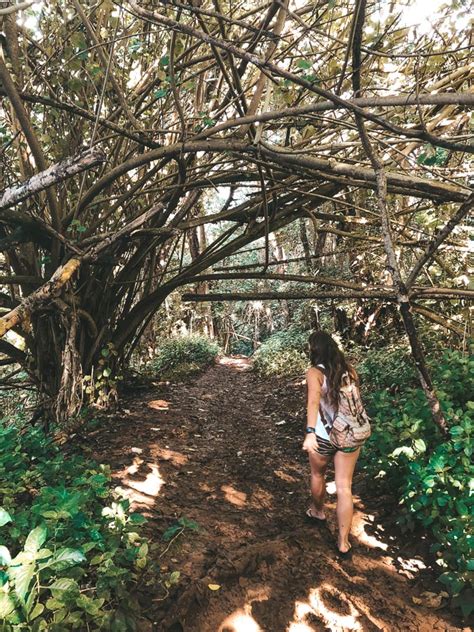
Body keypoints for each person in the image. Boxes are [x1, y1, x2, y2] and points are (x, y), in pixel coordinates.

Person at [302, 331, 361, 559]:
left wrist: (309, 433)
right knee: (344, 486)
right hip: (349, 435)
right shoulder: (350, 371)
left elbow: (313, 402)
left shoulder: (315, 373)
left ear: (314, 350)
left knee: (318, 475)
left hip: (323, 436)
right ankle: (344, 543)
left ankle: (317, 512)